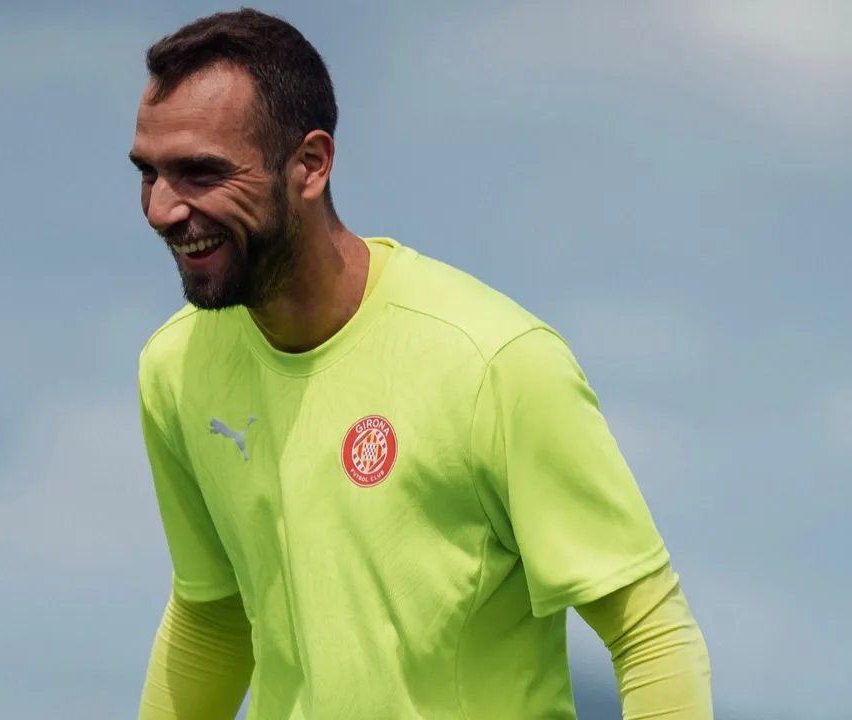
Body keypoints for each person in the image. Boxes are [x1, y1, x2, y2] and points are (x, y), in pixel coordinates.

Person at [131, 8, 712, 720]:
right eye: (149, 174)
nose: (163, 209)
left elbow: (649, 631)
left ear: (310, 165)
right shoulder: (175, 367)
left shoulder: (495, 363)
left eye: (200, 173)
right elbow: (213, 617)